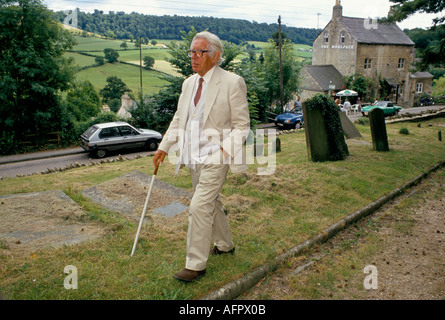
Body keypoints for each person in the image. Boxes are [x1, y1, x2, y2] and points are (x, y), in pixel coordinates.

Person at [152, 31, 250, 282]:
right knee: (211, 203)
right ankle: (225, 245)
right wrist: (164, 147)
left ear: (215, 56)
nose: (193, 57)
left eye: (199, 52)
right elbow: (179, 118)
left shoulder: (232, 82)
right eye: (191, 52)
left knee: (198, 206)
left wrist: (224, 152)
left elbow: (242, 125)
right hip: (193, 157)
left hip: (216, 157)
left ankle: (195, 264)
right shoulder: (188, 83)